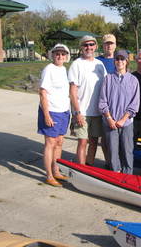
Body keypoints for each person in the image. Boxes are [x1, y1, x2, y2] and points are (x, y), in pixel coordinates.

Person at [68, 35, 107, 165]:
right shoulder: (76, 64)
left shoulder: (100, 64)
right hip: (82, 111)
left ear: (95, 46)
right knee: (82, 141)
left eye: (91, 45)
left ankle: (89, 166)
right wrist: (77, 112)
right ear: (81, 47)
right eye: (86, 45)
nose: (89, 47)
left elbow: (106, 87)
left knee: (94, 141)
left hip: (97, 112)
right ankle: (81, 168)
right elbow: (72, 91)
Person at [99, 50, 140, 174]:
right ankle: (115, 174)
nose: (119, 61)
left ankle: (128, 176)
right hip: (110, 123)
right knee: (112, 151)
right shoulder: (108, 79)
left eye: (122, 59)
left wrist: (123, 119)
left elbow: (134, 104)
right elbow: (102, 101)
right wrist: (109, 118)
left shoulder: (133, 80)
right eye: (117, 59)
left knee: (127, 151)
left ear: (127, 61)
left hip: (126, 123)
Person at [37, 43, 71, 187]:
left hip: (64, 111)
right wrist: (46, 115)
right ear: (52, 55)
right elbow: (42, 93)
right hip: (51, 111)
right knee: (50, 143)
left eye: (63, 54)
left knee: (59, 142)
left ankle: (56, 170)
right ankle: (49, 175)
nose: (60, 56)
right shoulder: (48, 69)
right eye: (57, 53)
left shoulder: (64, 69)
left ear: (66, 56)